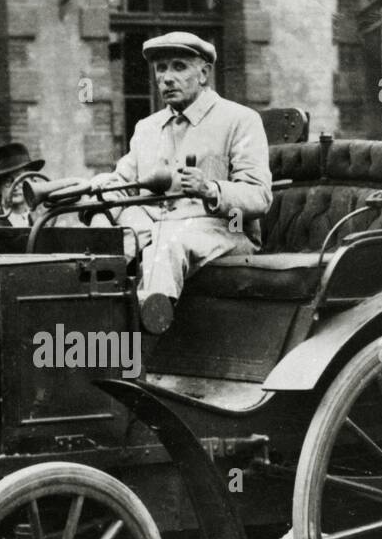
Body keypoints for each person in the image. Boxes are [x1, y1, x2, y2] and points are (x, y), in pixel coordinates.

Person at [91, 31, 271, 328]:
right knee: (107, 242)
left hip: (226, 228)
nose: (167, 78)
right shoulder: (147, 128)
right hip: (155, 226)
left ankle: (147, 324)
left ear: (204, 73)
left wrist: (209, 189)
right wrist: (100, 215)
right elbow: (122, 182)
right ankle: (91, 325)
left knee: (168, 242)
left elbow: (259, 196)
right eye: (161, 69)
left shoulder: (239, 120)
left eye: (178, 66)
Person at [0, 142, 44, 228]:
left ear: (31, 182)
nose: (16, 186)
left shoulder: (40, 221)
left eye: (22, 179)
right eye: (8, 181)